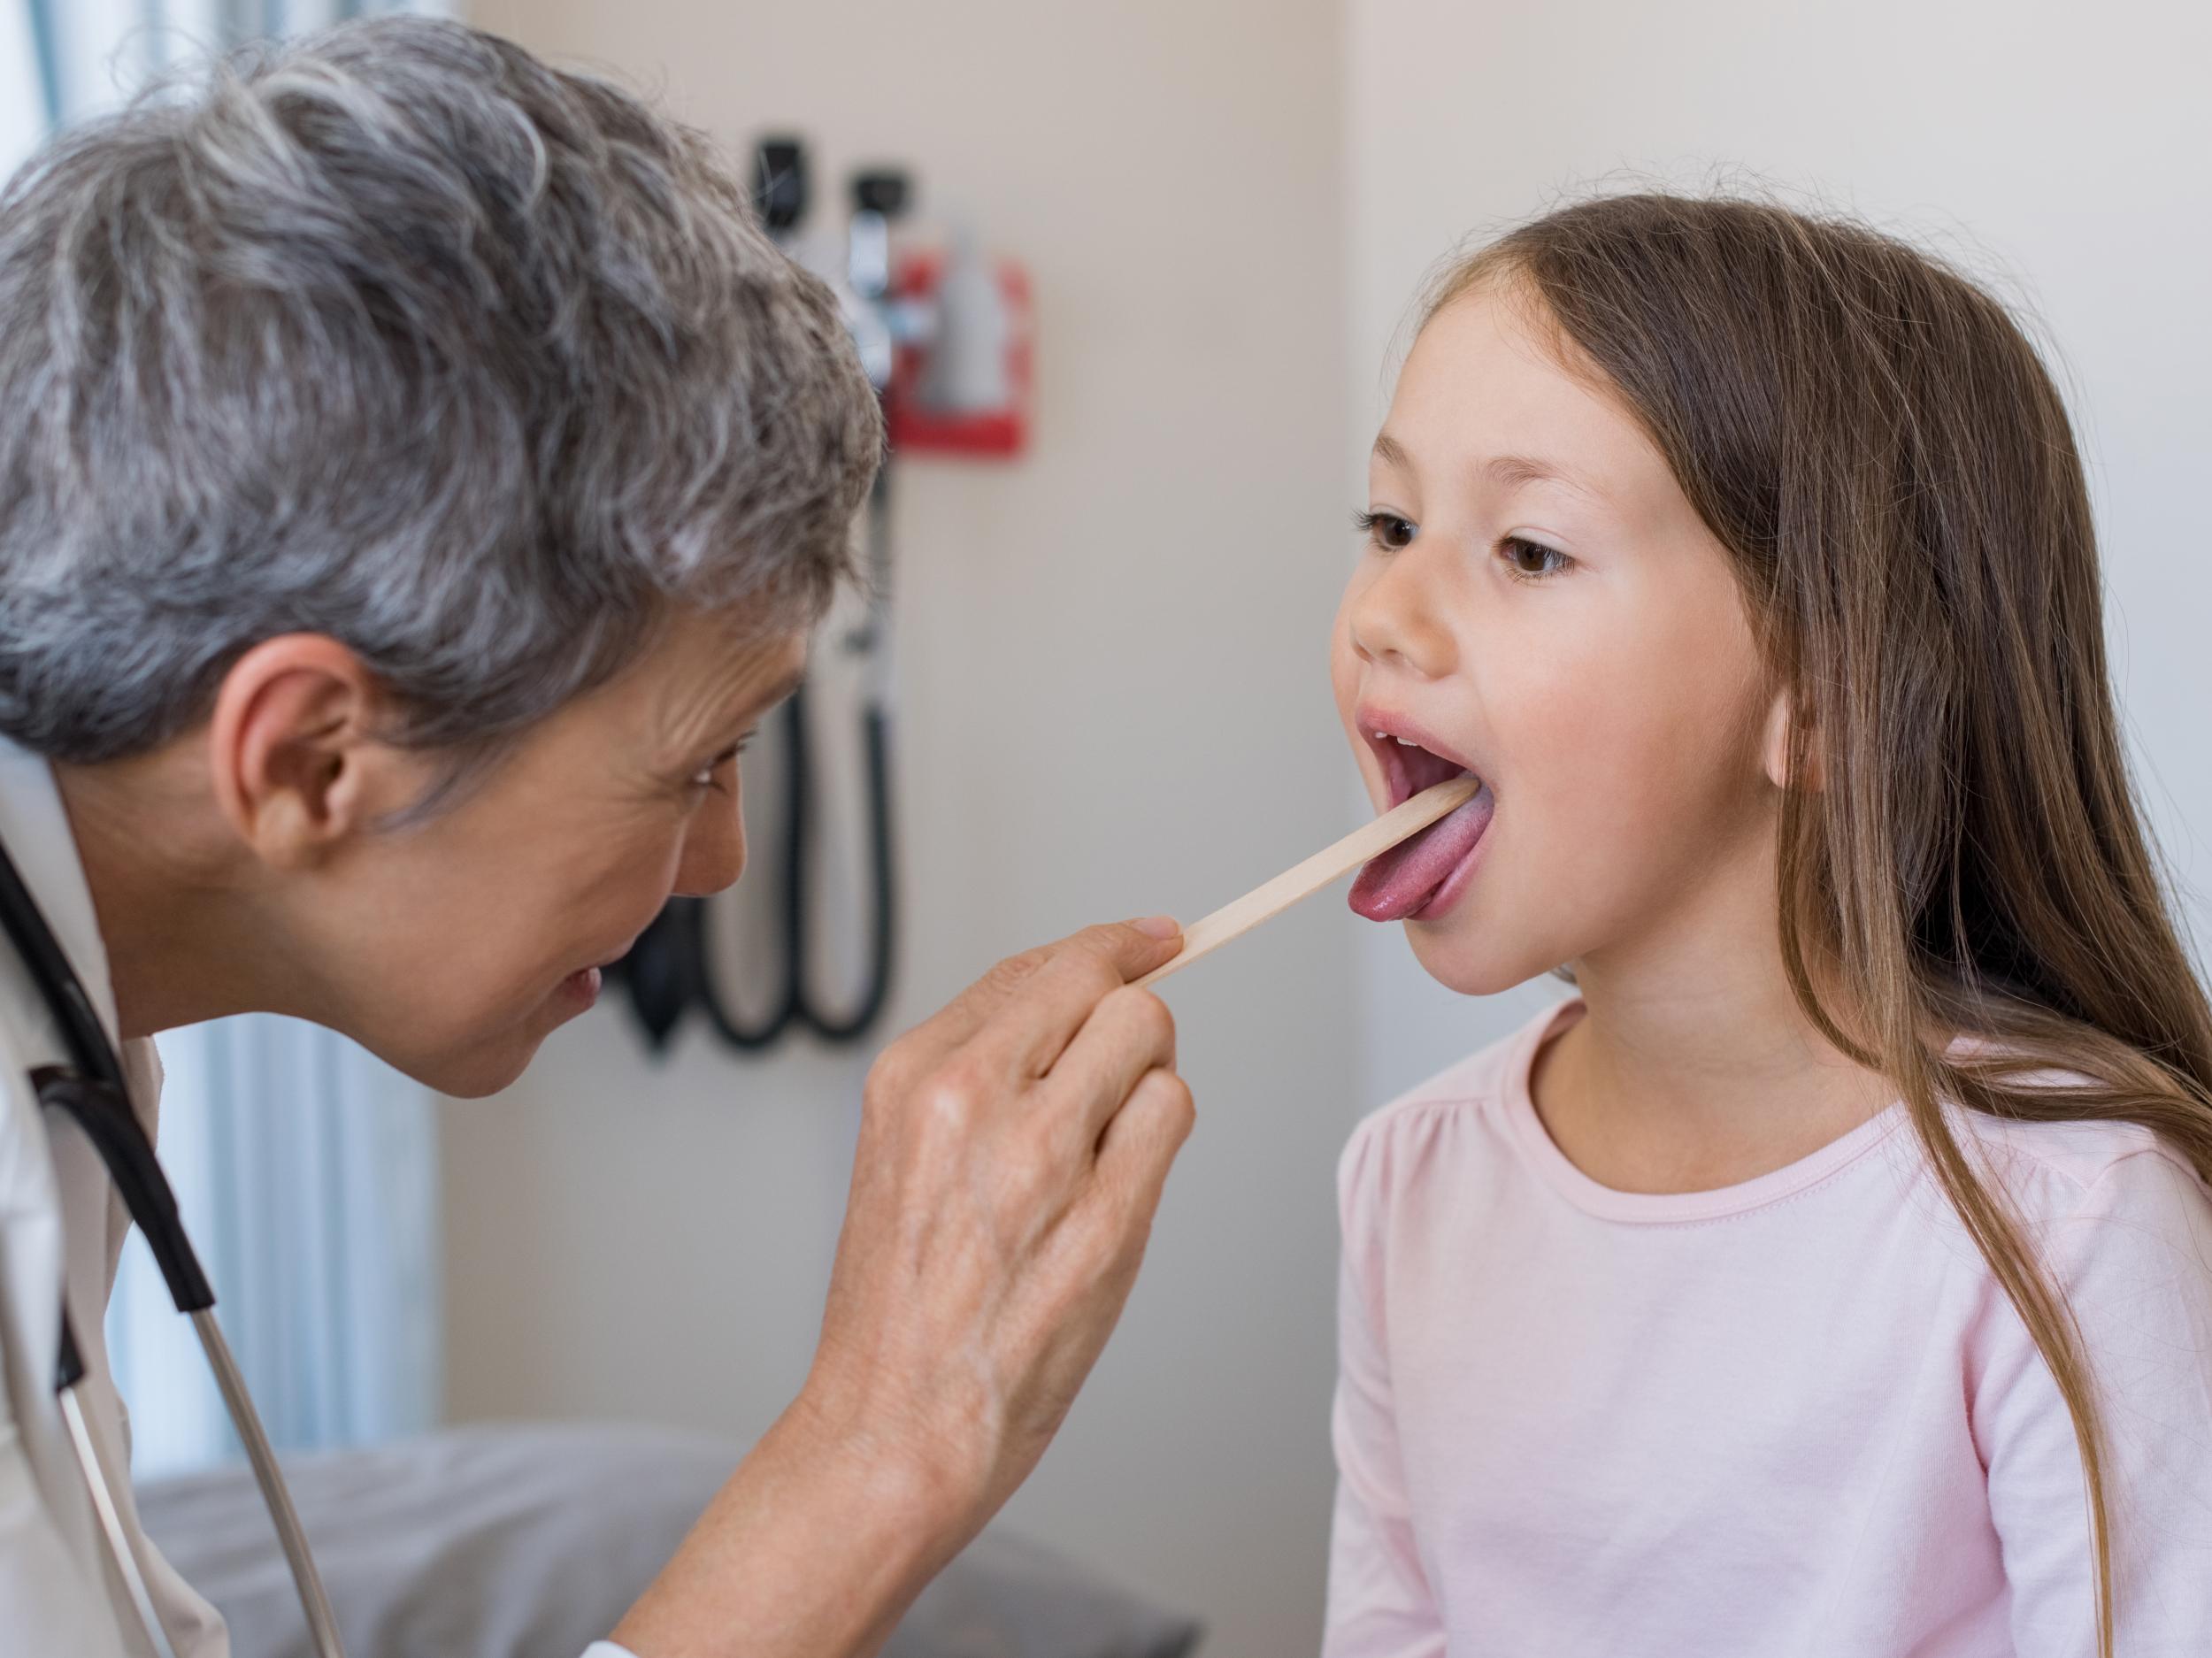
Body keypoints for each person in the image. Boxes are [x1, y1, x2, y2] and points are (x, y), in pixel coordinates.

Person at [0, 19, 1194, 1658]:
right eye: (700, 762)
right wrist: (882, 1453)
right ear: (309, 757)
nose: (724, 863)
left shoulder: (65, 1031)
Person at [1323, 194, 2212, 1657]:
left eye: (1529, 548)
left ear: (1828, 690)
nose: (1385, 614)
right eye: (1390, 522)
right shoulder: (1411, 1183)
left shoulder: (2073, 1231)